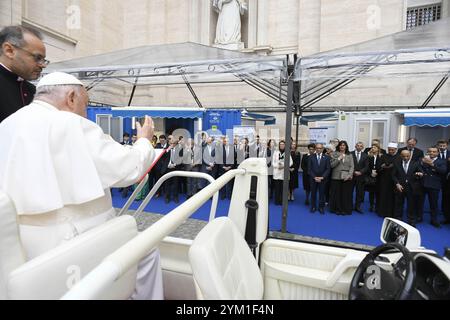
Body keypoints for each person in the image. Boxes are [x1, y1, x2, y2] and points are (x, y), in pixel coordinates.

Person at [0, 72, 162, 299]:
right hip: (68, 238)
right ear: (71, 98)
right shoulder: (70, 123)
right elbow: (129, 169)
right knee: (146, 252)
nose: (86, 112)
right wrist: (144, 140)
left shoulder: (7, 124)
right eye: (85, 105)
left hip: (18, 244)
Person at [0, 25, 48, 122]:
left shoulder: (34, 91)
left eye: (44, 60)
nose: (43, 65)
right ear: (9, 51)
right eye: (37, 58)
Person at [392, 150, 423, 226]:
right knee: (399, 203)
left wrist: (420, 174)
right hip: (400, 187)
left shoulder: (415, 163)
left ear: (410, 156)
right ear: (401, 156)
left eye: (407, 156)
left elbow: (421, 172)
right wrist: (397, 184)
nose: (405, 158)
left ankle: (411, 220)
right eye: (403, 156)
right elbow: (393, 175)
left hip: (411, 187)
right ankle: (398, 218)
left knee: (411, 204)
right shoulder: (397, 163)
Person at [419, 146, 447, 228]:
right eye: (430, 151)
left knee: (433, 204)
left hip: (434, 185)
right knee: (419, 203)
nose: (431, 153)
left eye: (434, 152)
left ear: (438, 153)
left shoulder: (441, 161)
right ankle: (419, 217)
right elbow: (418, 168)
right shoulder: (422, 160)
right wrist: (423, 163)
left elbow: (443, 171)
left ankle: (434, 220)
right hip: (422, 184)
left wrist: (432, 164)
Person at [329, 141, 354, 215]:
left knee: (345, 194)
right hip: (336, 177)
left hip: (346, 177)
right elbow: (332, 165)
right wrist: (339, 158)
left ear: (346, 146)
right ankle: (337, 209)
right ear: (338, 146)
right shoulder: (334, 154)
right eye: (341, 145)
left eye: (344, 145)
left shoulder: (350, 155)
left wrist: (349, 175)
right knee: (337, 194)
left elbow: (352, 166)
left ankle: (345, 209)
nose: (342, 146)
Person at [376, 143, 400, 218]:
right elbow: (378, 167)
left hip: (394, 180)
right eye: (389, 150)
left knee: (393, 197)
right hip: (384, 179)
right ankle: (382, 212)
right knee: (383, 195)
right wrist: (382, 167)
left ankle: (392, 213)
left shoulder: (399, 157)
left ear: (396, 150)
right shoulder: (383, 156)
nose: (391, 151)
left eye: (392, 150)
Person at [308, 143, 331, 214]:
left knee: (322, 194)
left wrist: (322, 177)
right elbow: (309, 169)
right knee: (313, 193)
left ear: (322, 149)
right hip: (313, 179)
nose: (318, 149)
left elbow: (328, 169)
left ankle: (321, 207)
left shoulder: (327, 157)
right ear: (315, 149)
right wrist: (314, 177)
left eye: (320, 148)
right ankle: (313, 206)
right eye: (317, 148)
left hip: (323, 179)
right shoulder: (311, 157)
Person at [272, 141, 293, 206]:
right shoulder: (275, 153)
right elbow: (273, 162)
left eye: (283, 144)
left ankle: (282, 201)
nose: (282, 146)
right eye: (280, 144)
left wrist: (284, 166)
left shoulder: (287, 153)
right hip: (277, 172)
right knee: (277, 188)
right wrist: (278, 166)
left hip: (284, 172)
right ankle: (277, 201)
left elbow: (291, 162)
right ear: (279, 145)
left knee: (283, 188)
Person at [351, 142, 369, 213]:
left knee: (359, 192)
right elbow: (349, 164)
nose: (359, 147)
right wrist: (354, 171)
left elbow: (366, 166)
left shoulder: (365, 155)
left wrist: (360, 172)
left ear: (362, 147)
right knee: (350, 191)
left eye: (360, 146)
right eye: (357, 146)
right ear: (355, 146)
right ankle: (349, 205)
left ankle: (357, 206)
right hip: (351, 175)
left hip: (361, 176)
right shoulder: (350, 154)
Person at [437, 139, 450, 224]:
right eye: (440, 146)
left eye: (444, 145)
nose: (442, 147)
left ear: (447, 145)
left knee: (446, 198)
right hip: (436, 178)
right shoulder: (434, 153)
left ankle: (447, 217)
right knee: (434, 197)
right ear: (438, 146)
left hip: (448, 179)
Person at [366, 145, 381, 213]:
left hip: (379, 176)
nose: (372, 148)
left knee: (378, 191)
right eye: (372, 147)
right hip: (370, 175)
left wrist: (377, 172)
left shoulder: (381, 157)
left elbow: (382, 166)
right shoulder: (369, 157)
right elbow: (367, 166)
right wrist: (371, 173)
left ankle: (378, 206)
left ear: (378, 149)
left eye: (374, 147)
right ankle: (371, 205)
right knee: (371, 192)